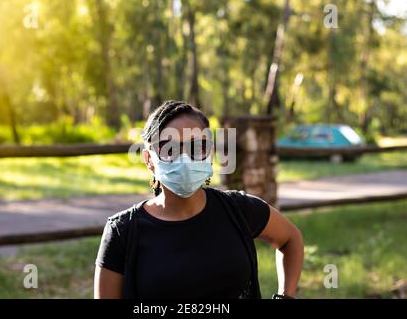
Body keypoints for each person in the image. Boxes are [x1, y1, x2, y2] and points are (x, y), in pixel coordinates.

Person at [94, 100, 304, 299]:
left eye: (197, 146)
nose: (185, 158)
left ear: (210, 152)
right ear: (149, 160)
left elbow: (290, 239)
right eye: (170, 148)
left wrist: (285, 295)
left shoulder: (238, 210)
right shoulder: (123, 232)